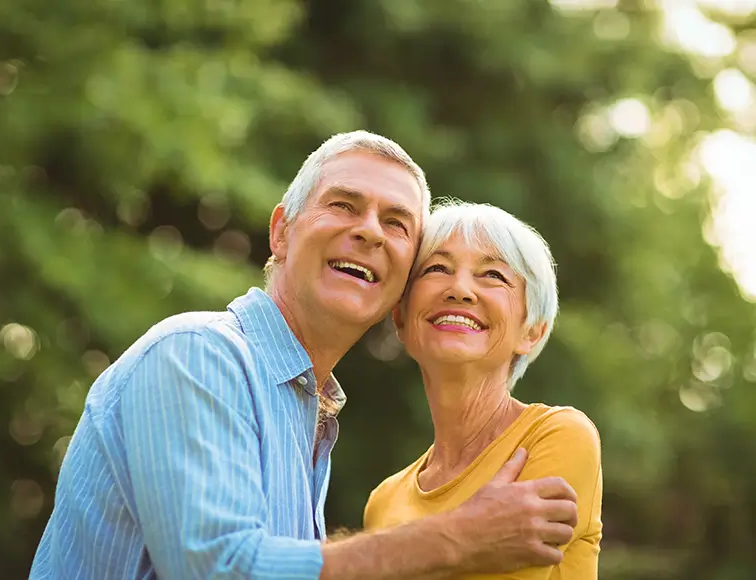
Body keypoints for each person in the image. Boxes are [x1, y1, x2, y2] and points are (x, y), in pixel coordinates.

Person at [30, 131, 579, 580]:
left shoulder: (307, 413)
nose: (368, 231)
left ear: (399, 284)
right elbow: (222, 572)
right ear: (281, 233)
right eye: (343, 205)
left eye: (396, 223)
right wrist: (460, 536)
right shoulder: (199, 356)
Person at [364, 200, 603, 579]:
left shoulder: (557, 437)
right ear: (401, 320)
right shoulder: (382, 501)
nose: (459, 289)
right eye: (437, 268)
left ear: (531, 331)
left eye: (492, 275)